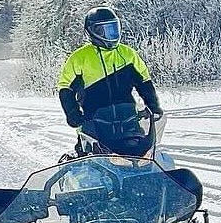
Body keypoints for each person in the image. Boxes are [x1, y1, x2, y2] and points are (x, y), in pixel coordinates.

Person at [57, 8, 163, 150]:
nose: (110, 34)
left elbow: (145, 82)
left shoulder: (128, 54)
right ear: (91, 31)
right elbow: (66, 88)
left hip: (129, 121)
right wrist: (73, 113)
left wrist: (153, 106)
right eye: (104, 30)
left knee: (144, 158)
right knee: (88, 163)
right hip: (94, 125)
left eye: (113, 28)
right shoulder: (79, 58)